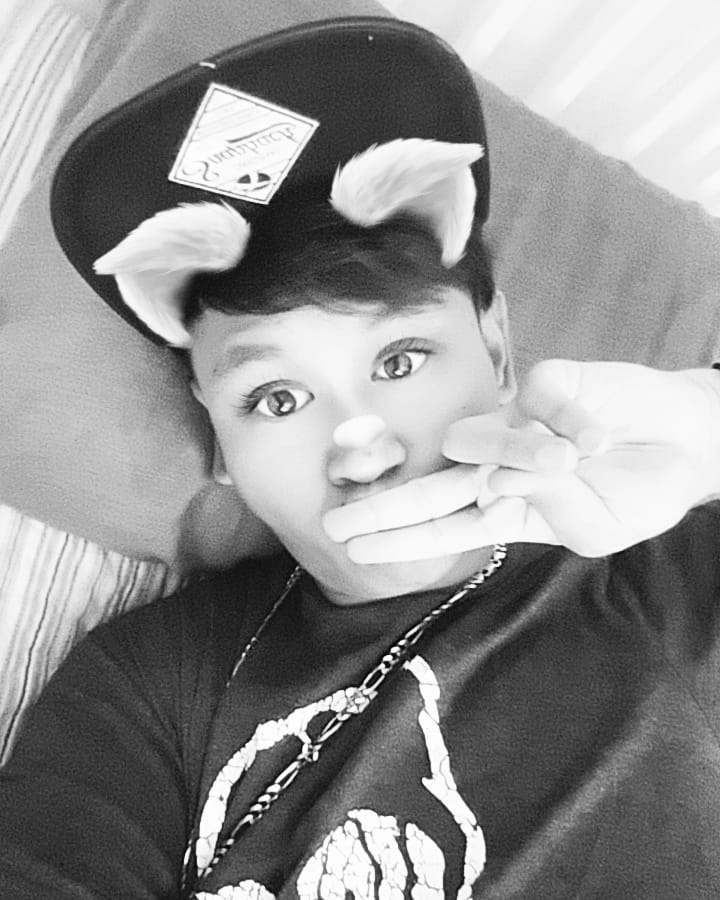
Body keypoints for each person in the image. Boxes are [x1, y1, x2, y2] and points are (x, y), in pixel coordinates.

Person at [1, 17, 720, 900]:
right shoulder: (150, 691)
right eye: (277, 399)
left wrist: (709, 425)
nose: (362, 448)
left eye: (401, 360)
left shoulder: (670, 571)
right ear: (219, 441)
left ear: (497, 351)